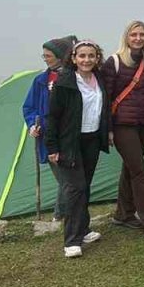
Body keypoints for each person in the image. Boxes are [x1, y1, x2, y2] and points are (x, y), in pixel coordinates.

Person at [44, 40, 112, 259]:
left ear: (96, 58)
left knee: (85, 186)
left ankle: (83, 230)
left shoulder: (99, 79)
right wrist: (52, 147)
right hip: (69, 142)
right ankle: (71, 240)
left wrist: (107, 131)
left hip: (92, 139)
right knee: (75, 188)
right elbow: (53, 117)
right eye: (82, 56)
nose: (86, 60)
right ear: (73, 58)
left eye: (91, 56)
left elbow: (105, 108)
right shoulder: (65, 82)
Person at [101, 21, 144, 240]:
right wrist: (108, 130)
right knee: (139, 170)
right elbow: (106, 99)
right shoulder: (114, 62)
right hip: (122, 125)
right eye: (134, 34)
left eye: (142, 35)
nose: (138, 38)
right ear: (126, 37)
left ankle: (123, 214)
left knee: (130, 169)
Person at [22, 35, 75, 221]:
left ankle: (60, 216)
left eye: (48, 56)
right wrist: (32, 125)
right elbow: (29, 107)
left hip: (69, 136)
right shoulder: (40, 81)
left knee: (68, 179)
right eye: (43, 56)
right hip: (48, 138)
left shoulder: (73, 76)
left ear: (60, 56)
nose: (45, 59)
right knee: (65, 179)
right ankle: (60, 216)